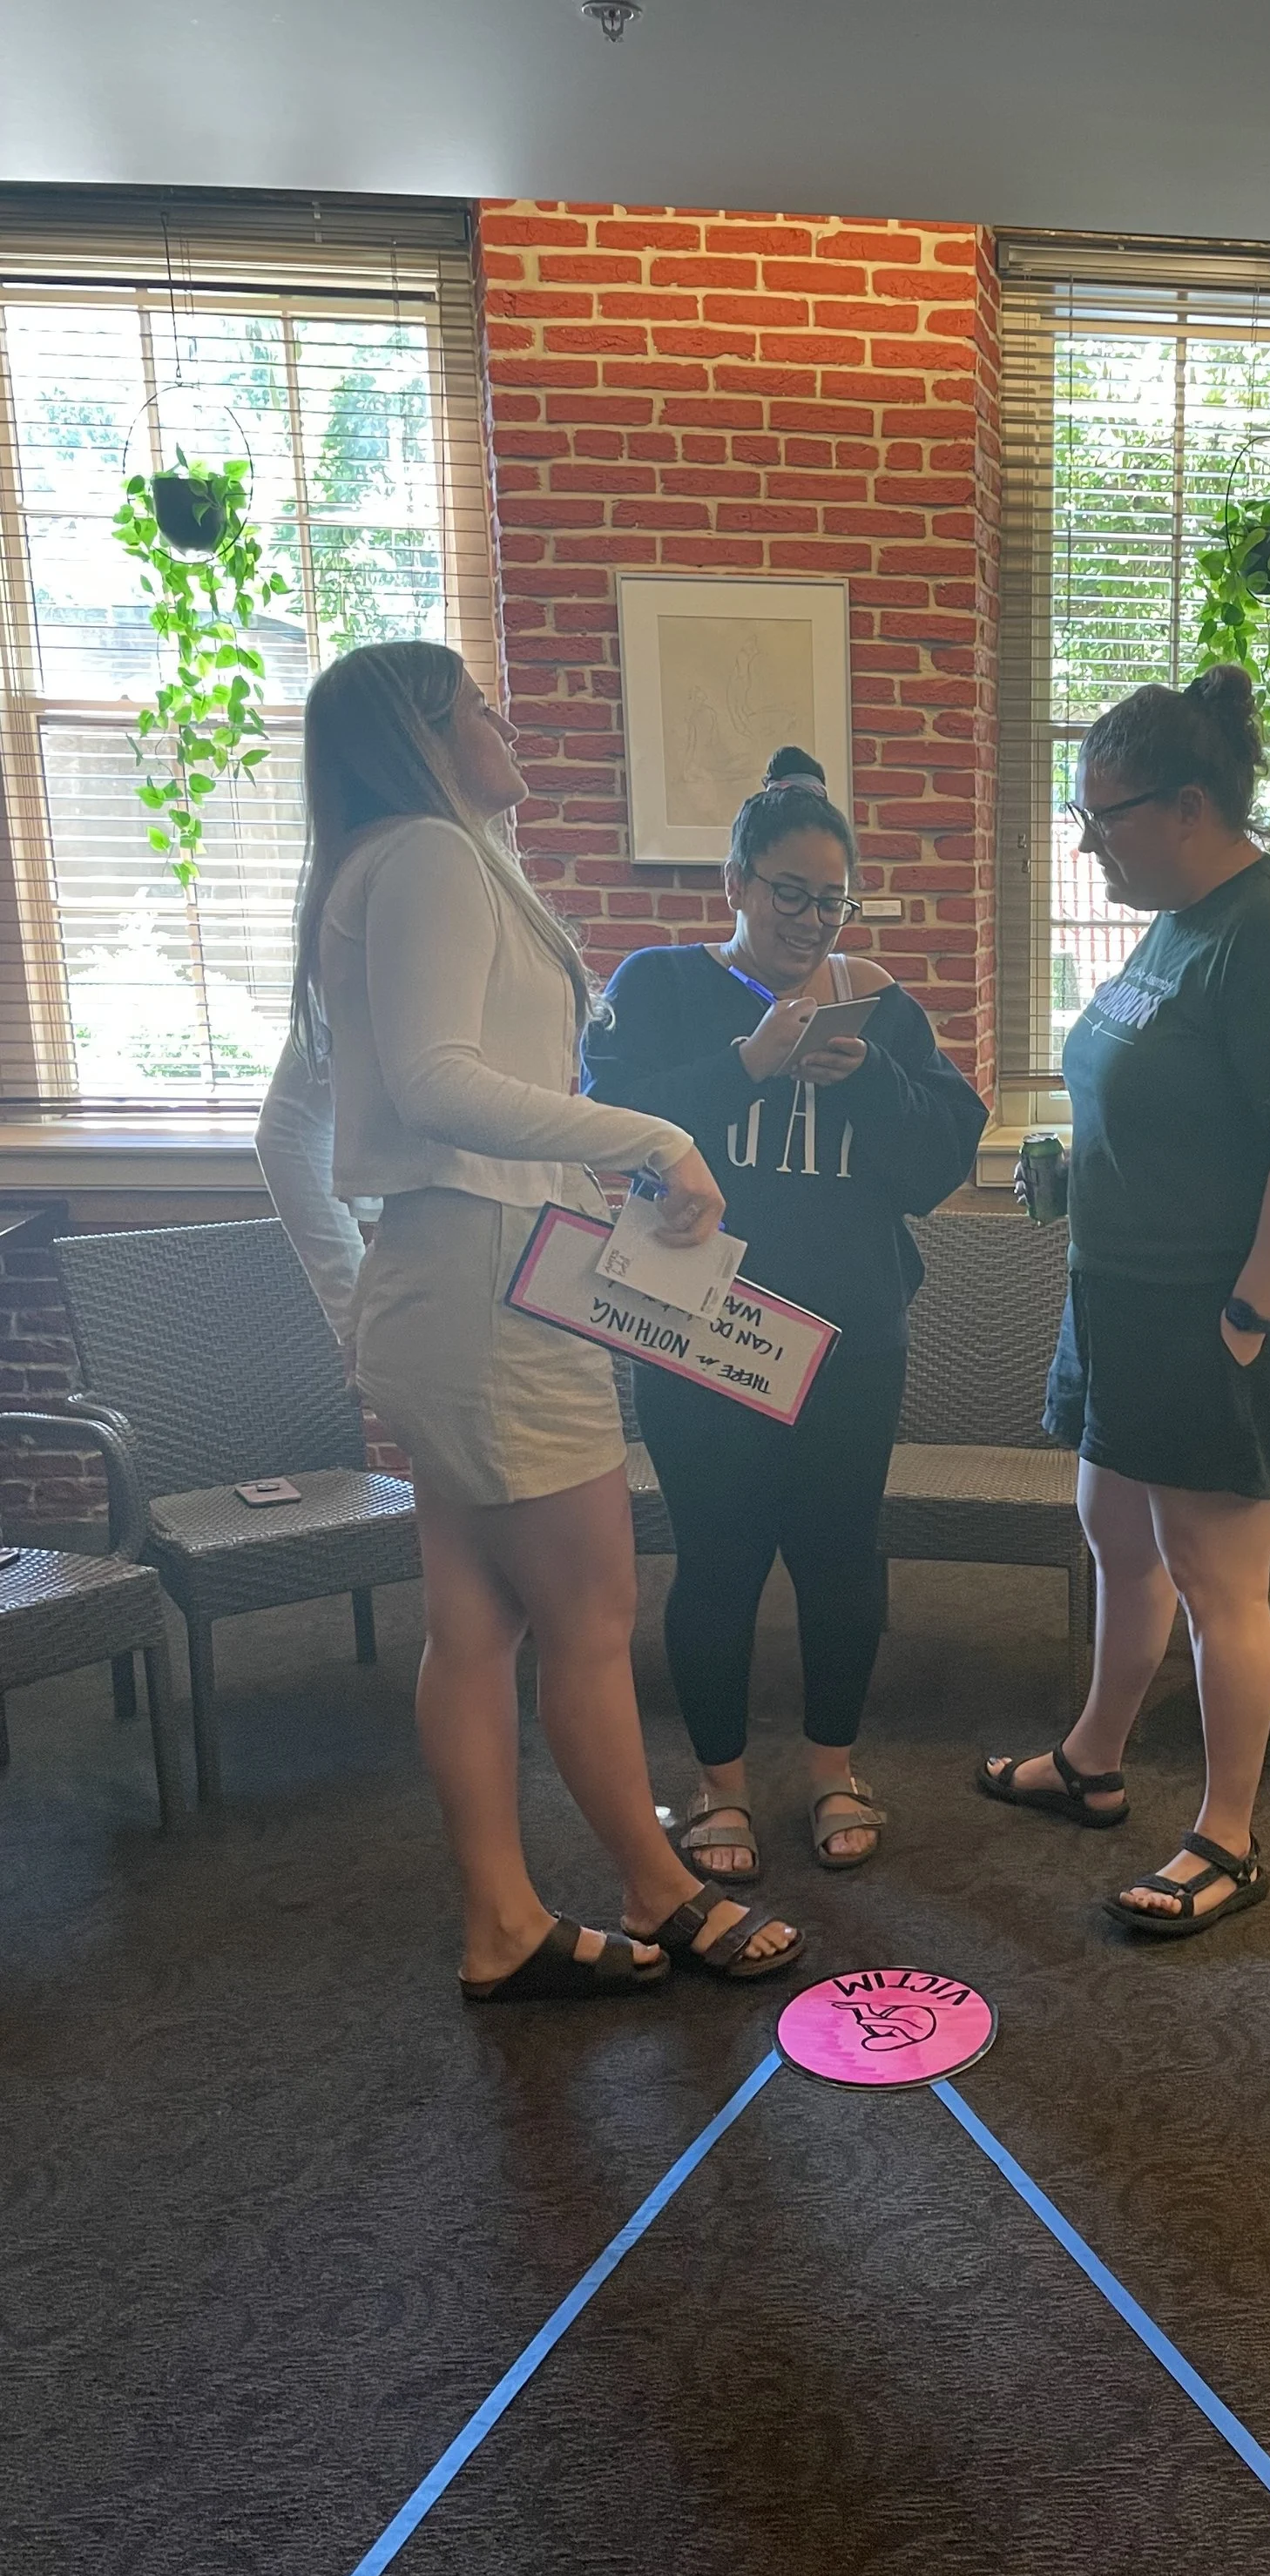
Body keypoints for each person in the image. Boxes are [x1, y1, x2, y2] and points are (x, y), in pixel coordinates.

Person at [256, 640, 803, 2001]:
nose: (509, 722)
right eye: (480, 706)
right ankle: (657, 1885)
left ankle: (503, 1920)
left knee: (472, 1622)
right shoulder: (432, 860)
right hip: (491, 1281)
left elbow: (291, 1133)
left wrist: (357, 1307)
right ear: (425, 734)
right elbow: (440, 1084)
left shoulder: (369, 868)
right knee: (590, 1615)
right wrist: (657, 1137)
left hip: (450, 1275)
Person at [978, 667, 1270, 1932]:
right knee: (1116, 1534)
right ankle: (1095, 1758)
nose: (1089, 844)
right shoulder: (1174, 919)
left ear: (1187, 805)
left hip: (1220, 1310)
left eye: (1106, 818)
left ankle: (1227, 1836)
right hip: (1123, 1296)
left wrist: (1249, 1317)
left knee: (1217, 1574)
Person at [584, 747, 987, 1883]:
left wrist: (867, 1077)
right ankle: (717, 1790)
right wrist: (745, 1064)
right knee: (716, 1556)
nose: (814, 920)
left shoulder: (881, 1006)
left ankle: (830, 1770)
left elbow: (933, 1166)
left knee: (838, 1554)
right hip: (703, 1322)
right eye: (791, 894)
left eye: (833, 900)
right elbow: (603, 1122)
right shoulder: (661, 987)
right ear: (738, 885)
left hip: (852, 1332)